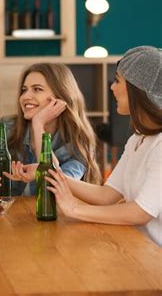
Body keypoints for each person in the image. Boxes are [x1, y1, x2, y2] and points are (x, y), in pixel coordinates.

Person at [46, 46, 161, 246]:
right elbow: (106, 196)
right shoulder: (138, 139)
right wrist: (54, 175)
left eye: (117, 81)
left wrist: (74, 209)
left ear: (137, 90)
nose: (112, 87)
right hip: (138, 249)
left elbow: (140, 212)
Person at [0, 63, 101, 196]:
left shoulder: (79, 140)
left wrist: (38, 125)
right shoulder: (4, 127)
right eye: (24, 90)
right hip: (8, 215)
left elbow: (54, 192)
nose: (25, 97)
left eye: (37, 89)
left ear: (61, 96)